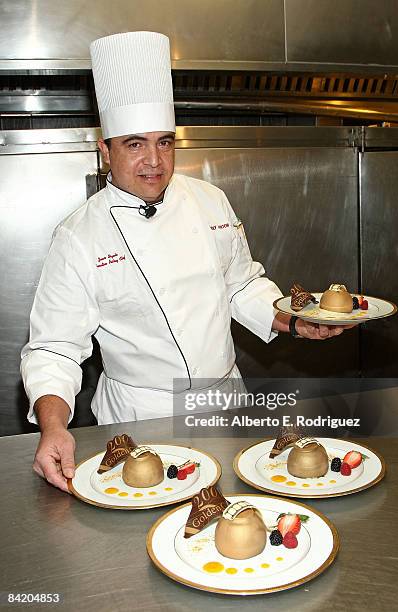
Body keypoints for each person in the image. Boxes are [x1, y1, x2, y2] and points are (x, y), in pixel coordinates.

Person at [21, 32, 353, 493]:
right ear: (106, 151)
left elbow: (241, 285)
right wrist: (54, 427)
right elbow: (54, 348)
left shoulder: (210, 200)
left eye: (165, 142)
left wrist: (294, 323)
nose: (154, 161)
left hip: (226, 402)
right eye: (135, 144)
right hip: (141, 419)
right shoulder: (78, 237)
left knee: (234, 516)